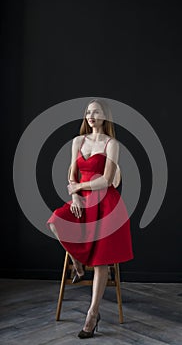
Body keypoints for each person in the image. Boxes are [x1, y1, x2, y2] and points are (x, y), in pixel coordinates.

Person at [46, 98, 134, 339]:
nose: (91, 115)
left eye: (96, 112)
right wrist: (74, 196)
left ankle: (92, 314)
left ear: (105, 116)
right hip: (82, 202)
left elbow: (107, 180)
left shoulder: (112, 144)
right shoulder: (78, 141)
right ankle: (78, 264)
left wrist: (78, 188)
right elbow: (71, 173)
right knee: (56, 221)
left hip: (107, 204)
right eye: (88, 112)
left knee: (101, 261)